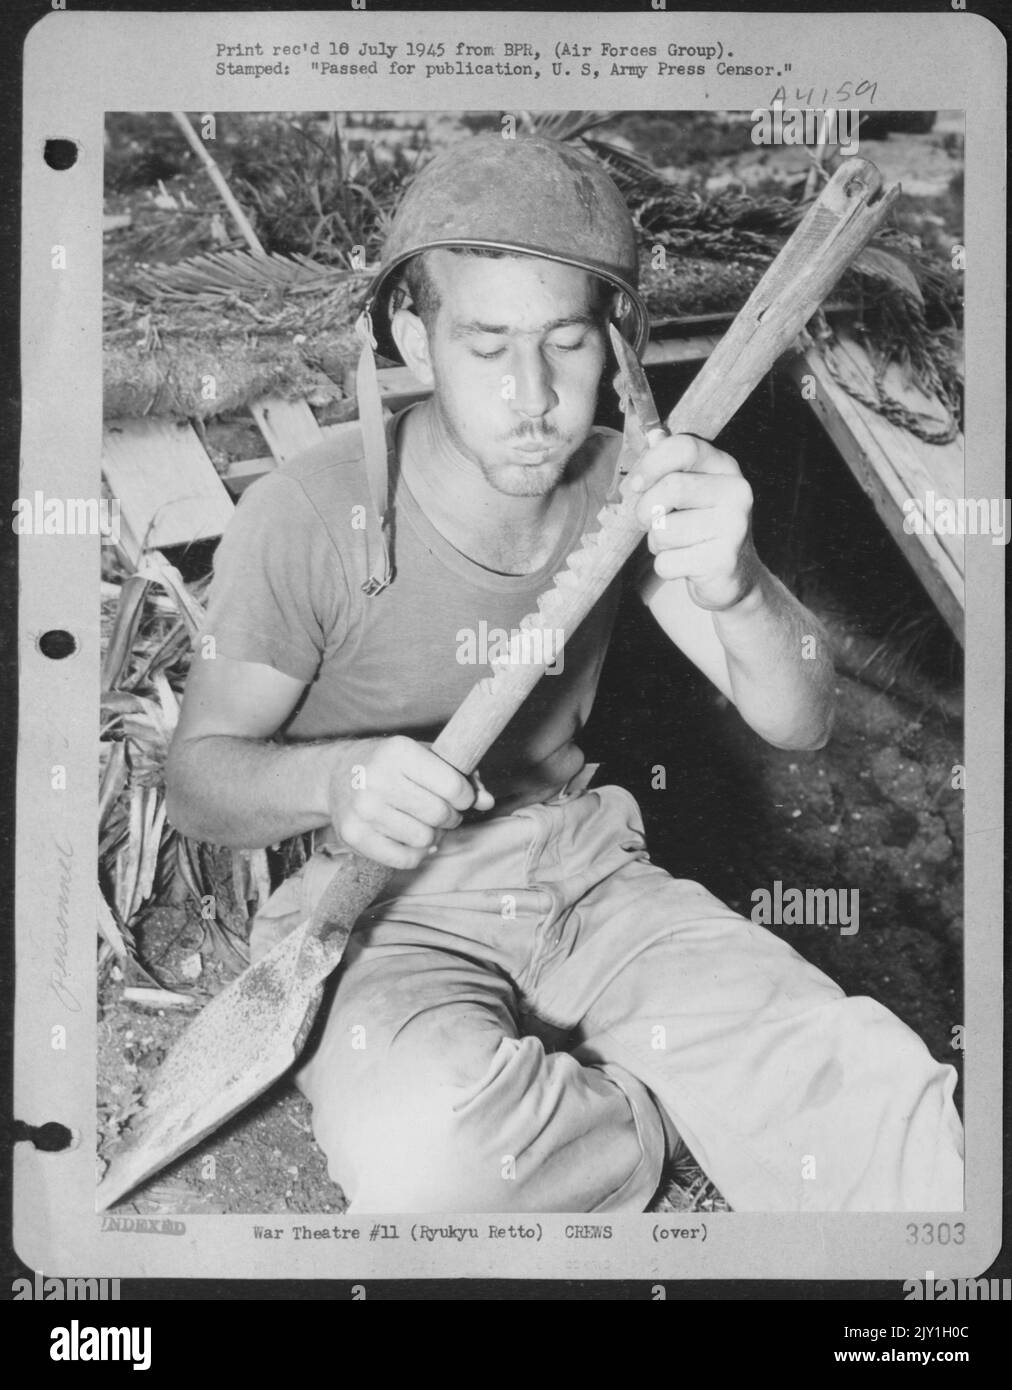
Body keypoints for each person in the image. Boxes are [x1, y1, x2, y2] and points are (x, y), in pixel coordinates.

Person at [165, 134, 963, 1214]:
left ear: (616, 336)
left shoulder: (626, 484)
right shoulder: (307, 516)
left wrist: (736, 587)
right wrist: (340, 779)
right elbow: (198, 782)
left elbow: (801, 722)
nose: (532, 395)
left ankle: (670, 1088)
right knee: (427, 1158)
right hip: (382, 907)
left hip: (587, 872)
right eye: (486, 343)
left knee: (882, 1103)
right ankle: (644, 1116)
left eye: (567, 341)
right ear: (414, 332)